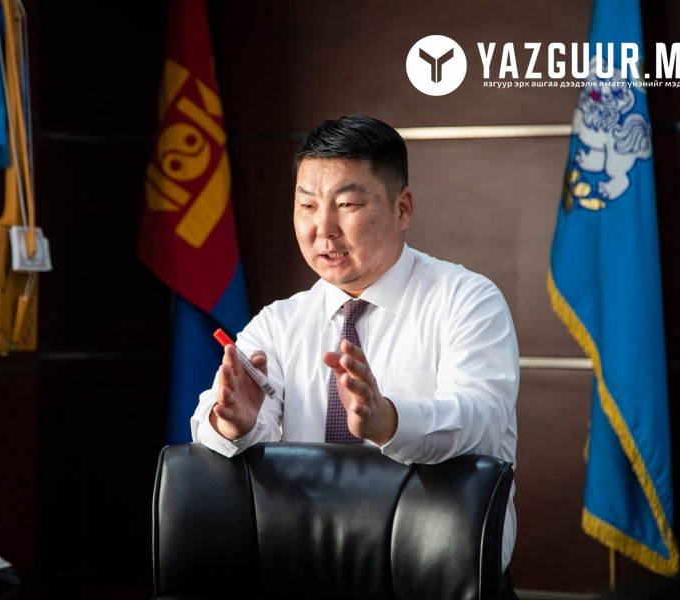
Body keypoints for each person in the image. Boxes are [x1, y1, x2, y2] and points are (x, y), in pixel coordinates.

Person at [190, 114, 519, 593]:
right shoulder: (279, 322)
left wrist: (389, 422)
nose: (323, 229)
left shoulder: (466, 300)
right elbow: (205, 426)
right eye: (307, 205)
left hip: (440, 581)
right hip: (302, 577)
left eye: (346, 204)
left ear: (402, 208)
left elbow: (482, 419)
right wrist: (232, 423)